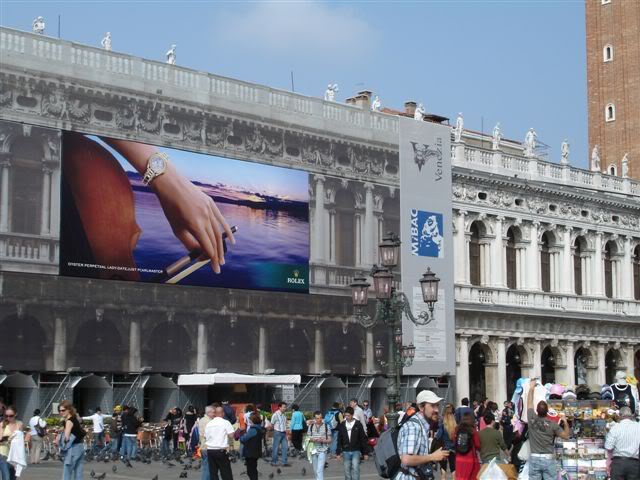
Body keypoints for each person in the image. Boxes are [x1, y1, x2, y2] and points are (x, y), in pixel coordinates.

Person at [395, 390, 449, 480]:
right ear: (421, 407)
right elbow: (406, 459)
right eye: (432, 405)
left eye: (437, 405)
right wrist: (432, 456)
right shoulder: (413, 427)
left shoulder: (421, 426)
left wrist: (432, 458)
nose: (437, 410)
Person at [526, 378, 570, 480]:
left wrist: (531, 387)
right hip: (548, 458)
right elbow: (566, 436)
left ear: (536, 410)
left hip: (534, 457)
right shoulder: (553, 424)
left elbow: (529, 402)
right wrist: (565, 422)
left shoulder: (531, 417)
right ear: (547, 412)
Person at [604, 406, 640, 480]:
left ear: (619, 415)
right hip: (634, 464)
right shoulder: (638, 426)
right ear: (631, 415)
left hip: (618, 463)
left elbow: (608, 447)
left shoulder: (615, 427)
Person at [336, 406, 369, 480]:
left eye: (348, 415)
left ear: (352, 415)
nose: (347, 417)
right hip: (346, 450)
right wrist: (338, 453)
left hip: (356, 450)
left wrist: (365, 453)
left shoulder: (358, 424)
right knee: (347, 470)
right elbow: (339, 439)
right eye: (345, 415)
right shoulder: (342, 425)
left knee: (355, 468)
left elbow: (363, 439)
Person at [205, 405, 235, 480]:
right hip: (220, 450)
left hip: (210, 450)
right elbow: (231, 435)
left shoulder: (209, 424)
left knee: (213, 473)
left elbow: (206, 436)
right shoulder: (225, 422)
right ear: (223, 413)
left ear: (215, 413)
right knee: (226, 472)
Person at [57, 400, 86, 480]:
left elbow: (66, 438)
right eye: (59, 410)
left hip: (72, 449)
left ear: (69, 409)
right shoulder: (75, 419)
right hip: (80, 447)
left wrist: (59, 438)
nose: (61, 412)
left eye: (63, 410)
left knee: (67, 472)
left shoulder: (69, 421)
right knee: (78, 472)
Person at [454, 412, 481, 480]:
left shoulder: (457, 430)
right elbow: (477, 445)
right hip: (471, 459)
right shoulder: (473, 431)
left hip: (459, 458)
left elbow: (454, 442)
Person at [239, 413, 265, 480]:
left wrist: (241, 435)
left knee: (250, 471)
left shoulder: (253, 429)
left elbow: (243, 439)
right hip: (256, 451)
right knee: (253, 469)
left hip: (250, 452)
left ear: (252, 421)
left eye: (249, 420)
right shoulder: (259, 428)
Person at [435, 404, 457, 480]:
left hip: (444, 448)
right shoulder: (455, 425)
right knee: (453, 468)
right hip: (453, 449)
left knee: (443, 468)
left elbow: (438, 436)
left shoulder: (443, 425)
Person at [307, 411, 331, 480]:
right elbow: (308, 438)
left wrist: (323, 440)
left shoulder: (326, 426)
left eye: (320, 418)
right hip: (313, 450)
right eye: (317, 418)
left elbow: (329, 439)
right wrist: (313, 440)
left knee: (319, 469)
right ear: (314, 418)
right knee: (315, 470)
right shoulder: (311, 426)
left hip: (323, 450)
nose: (319, 420)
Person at [197, 404, 216, 480]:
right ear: (209, 413)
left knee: (206, 467)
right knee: (208, 468)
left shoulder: (202, 420)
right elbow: (209, 435)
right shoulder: (209, 422)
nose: (214, 414)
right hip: (208, 447)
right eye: (213, 412)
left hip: (203, 446)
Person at [270, 402, 290, 467]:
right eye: (284, 407)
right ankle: (274, 462)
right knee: (275, 448)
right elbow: (272, 424)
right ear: (279, 407)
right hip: (277, 432)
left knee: (285, 447)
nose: (285, 408)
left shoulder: (284, 415)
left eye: (285, 407)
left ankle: (284, 462)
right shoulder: (275, 415)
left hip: (283, 433)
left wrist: (287, 431)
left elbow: (285, 424)